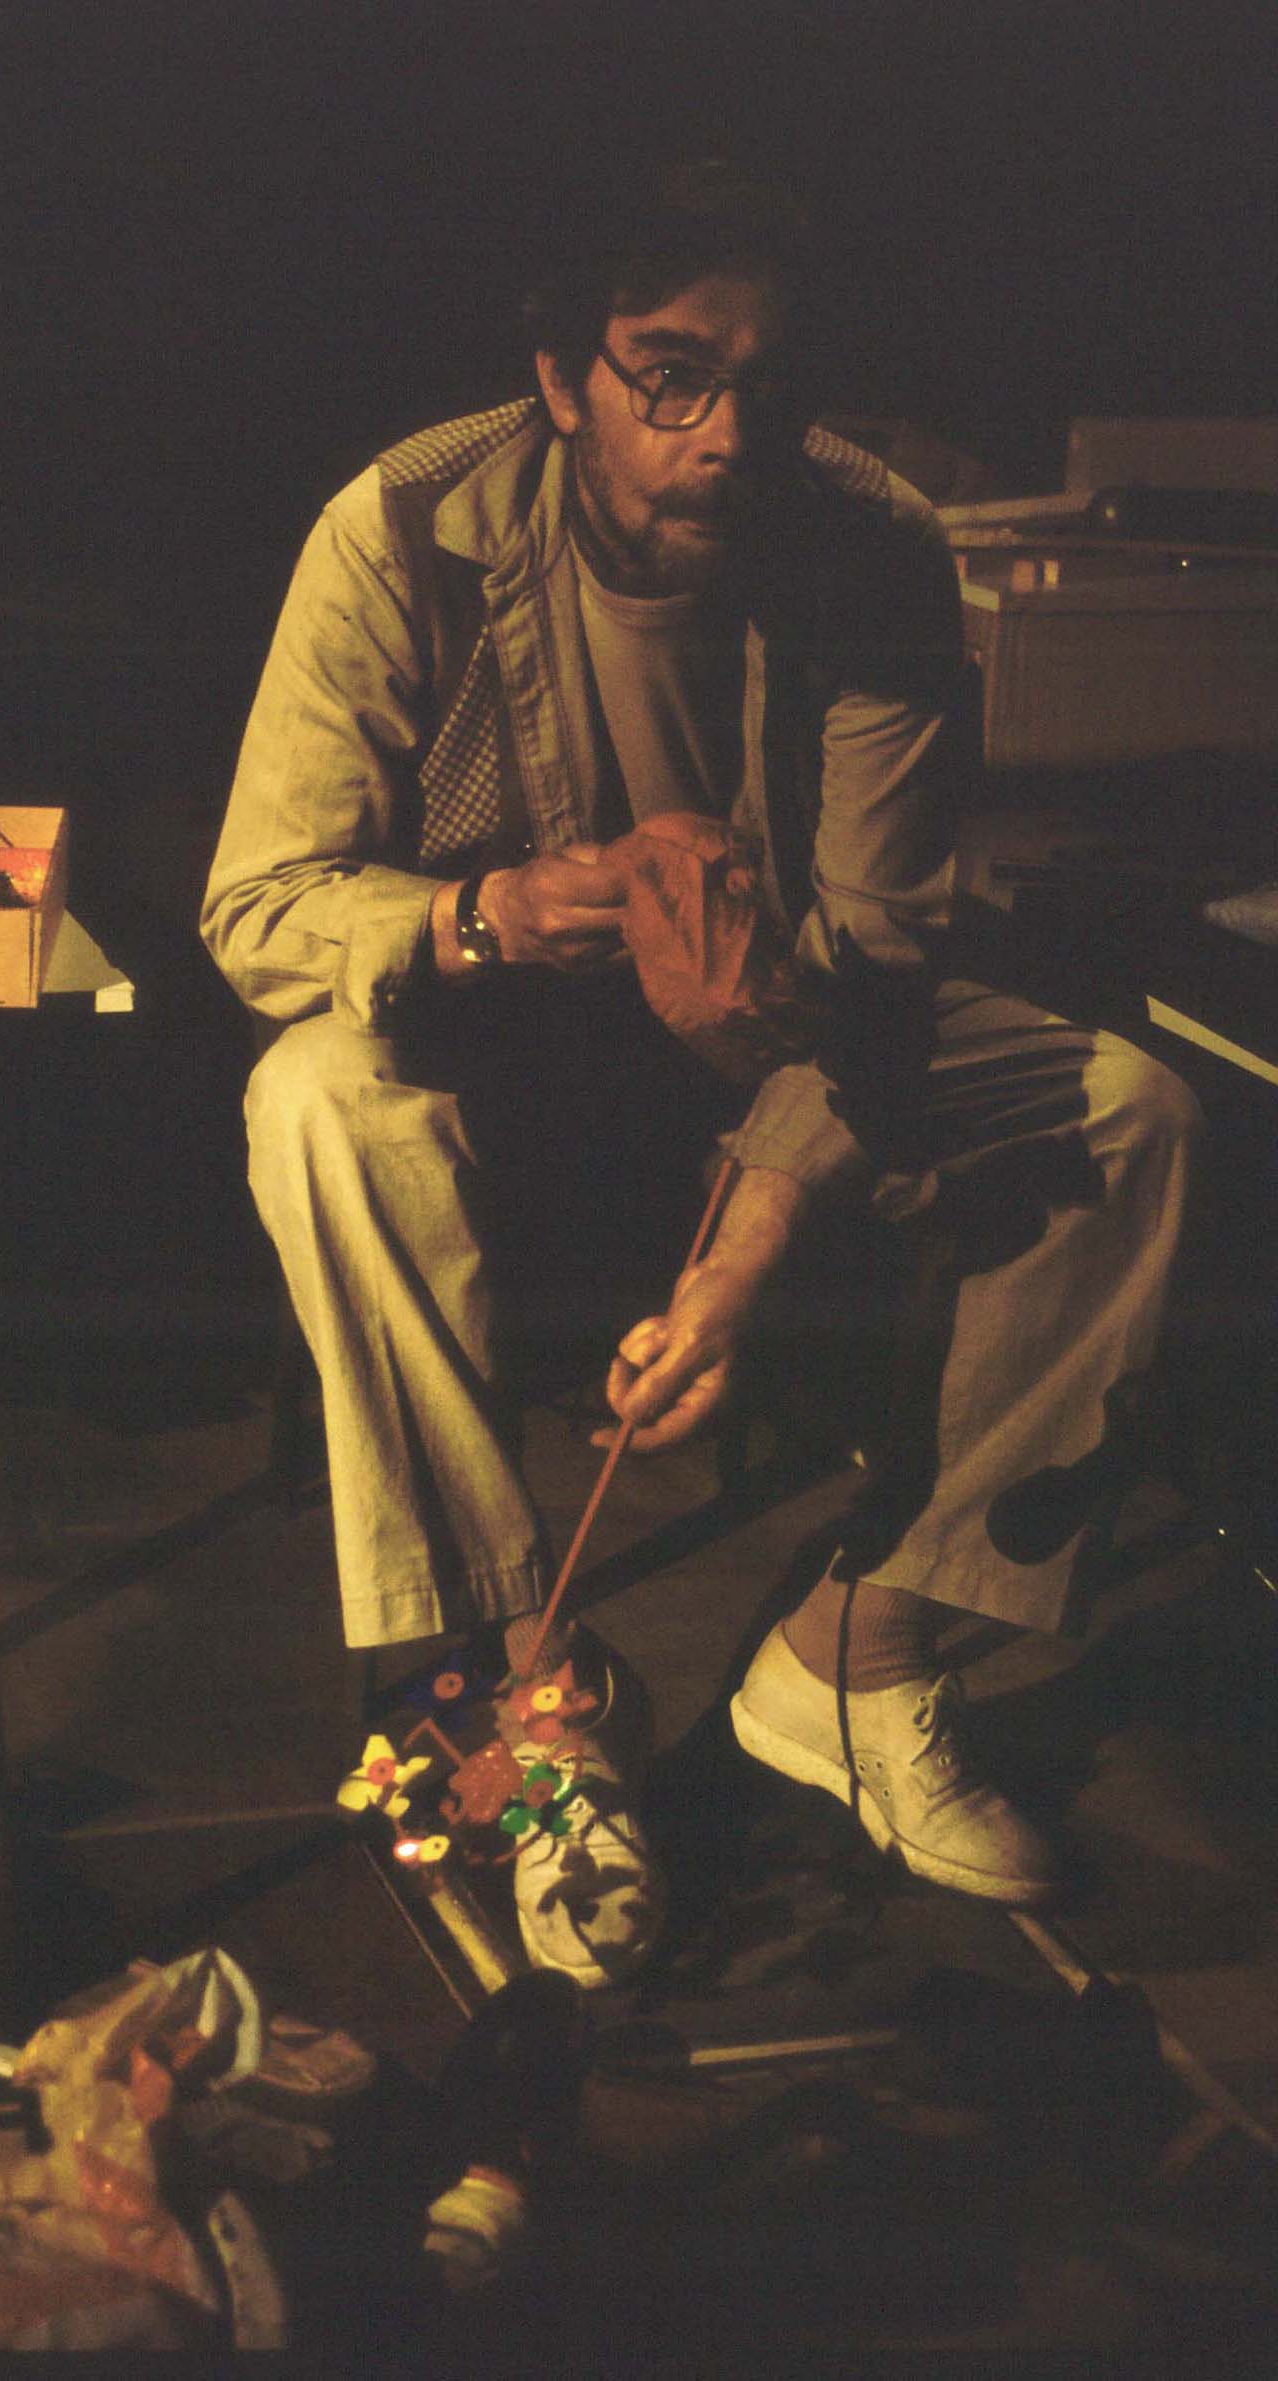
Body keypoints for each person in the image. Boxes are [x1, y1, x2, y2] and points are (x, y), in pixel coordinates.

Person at [202, 160, 1201, 1990]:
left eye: (765, 384)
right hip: (498, 1034)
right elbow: (258, 906)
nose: (724, 434)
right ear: (561, 376)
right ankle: (530, 1700)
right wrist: (492, 911)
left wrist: (742, 1254)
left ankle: (858, 1660)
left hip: (779, 1039)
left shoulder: (872, 545)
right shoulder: (405, 526)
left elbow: (876, 962)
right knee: (316, 1099)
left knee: (1129, 1111)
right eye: (669, 376)